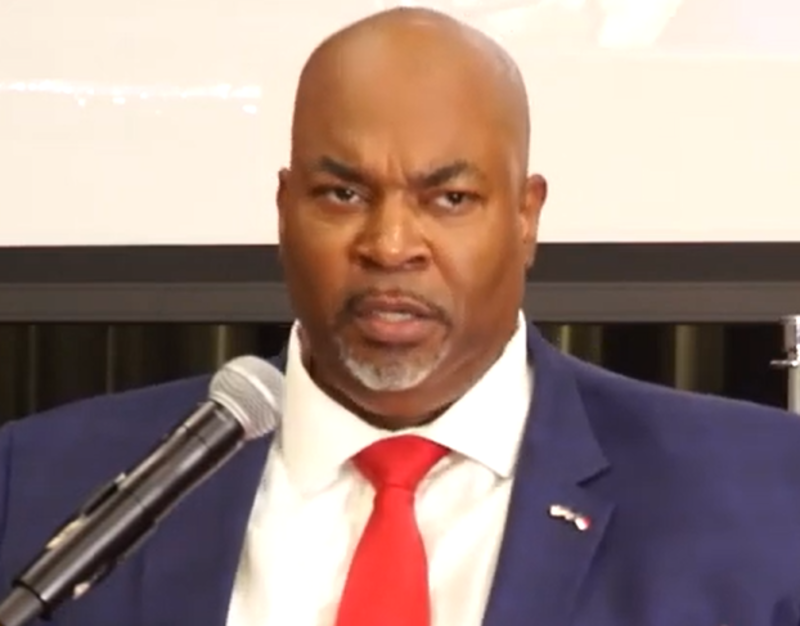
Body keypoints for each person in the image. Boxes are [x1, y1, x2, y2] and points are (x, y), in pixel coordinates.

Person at [2, 7, 800, 626]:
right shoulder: (38, 484)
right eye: (343, 193)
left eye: (449, 199)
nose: (390, 245)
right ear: (284, 208)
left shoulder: (760, 496)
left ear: (526, 218)